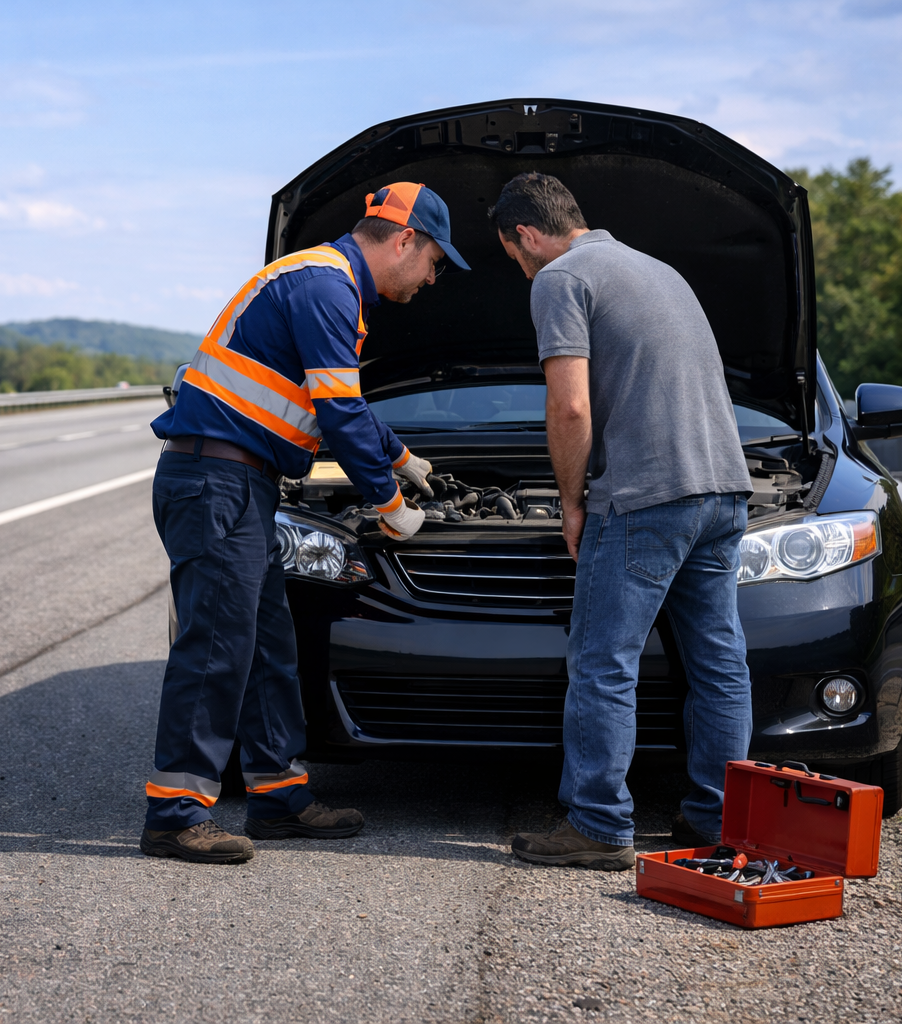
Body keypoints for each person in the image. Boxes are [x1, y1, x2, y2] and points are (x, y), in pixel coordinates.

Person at [141, 183, 469, 864]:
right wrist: (389, 506)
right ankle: (174, 814)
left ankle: (279, 796)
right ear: (404, 240)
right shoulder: (325, 286)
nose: (435, 280)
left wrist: (405, 457)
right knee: (215, 648)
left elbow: (341, 403)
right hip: (215, 482)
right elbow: (341, 413)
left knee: (267, 644)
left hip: (240, 484)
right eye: (436, 262)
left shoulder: (329, 284)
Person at [491, 172, 754, 871]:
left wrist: (572, 502)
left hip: (645, 497)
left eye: (512, 256)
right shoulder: (656, 270)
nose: (519, 270)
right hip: (724, 489)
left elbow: (570, 408)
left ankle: (599, 824)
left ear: (525, 234)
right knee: (720, 663)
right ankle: (719, 818)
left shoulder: (560, 278)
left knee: (604, 662)